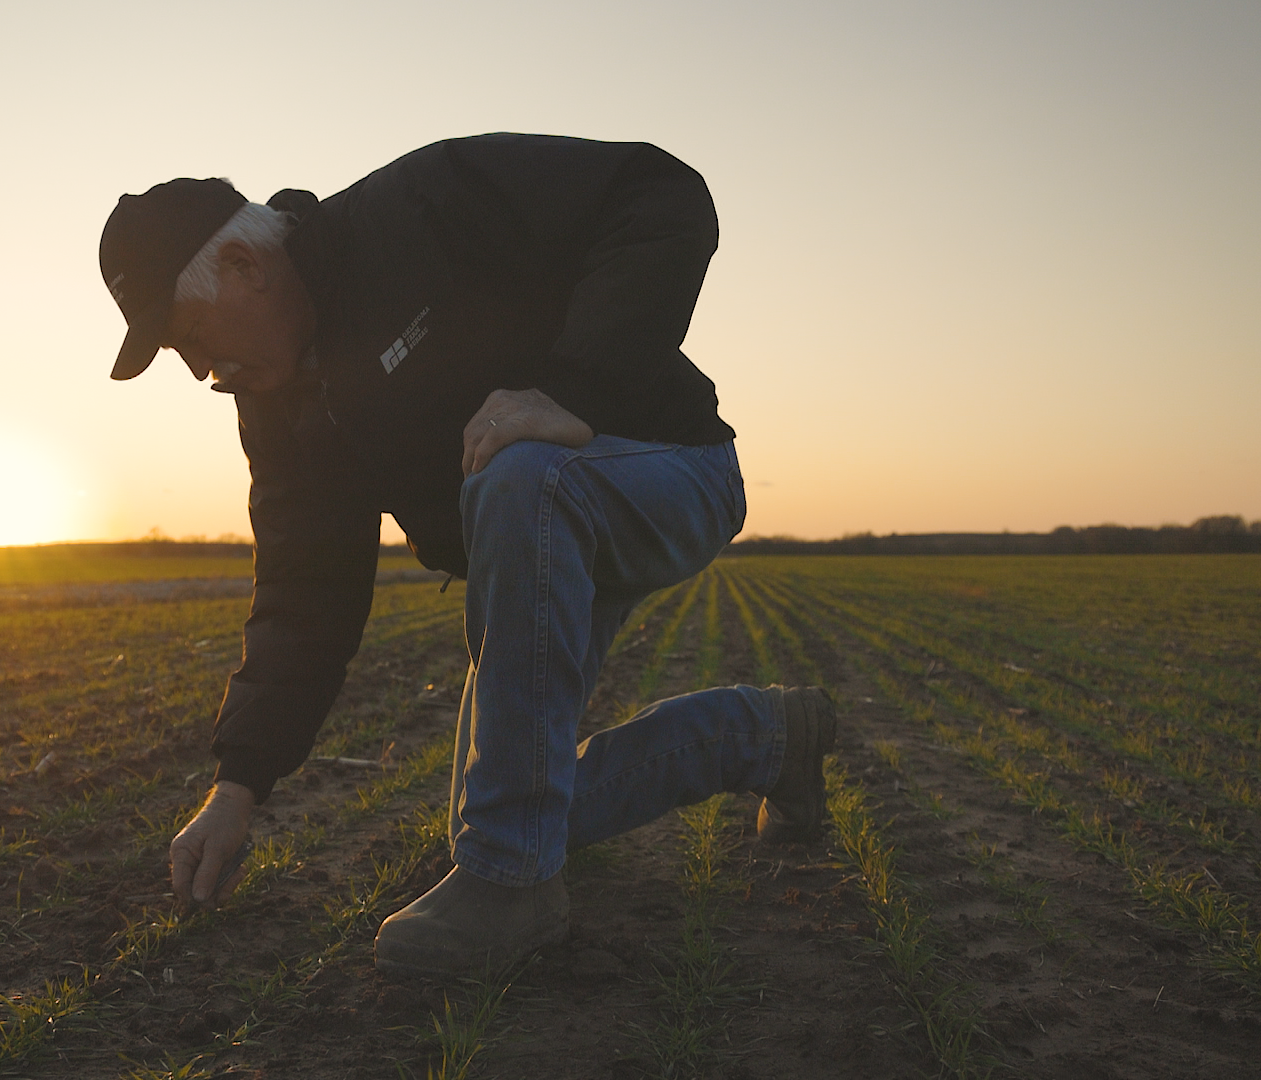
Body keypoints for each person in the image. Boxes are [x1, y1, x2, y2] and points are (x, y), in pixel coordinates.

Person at [97, 134, 838, 977]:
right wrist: (237, 787)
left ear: (243, 263)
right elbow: (307, 595)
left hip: (669, 468)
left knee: (520, 468)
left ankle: (514, 890)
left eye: (187, 336)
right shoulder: (277, 407)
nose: (200, 370)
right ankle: (765, 738)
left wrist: (575, 390)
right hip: (535, 533)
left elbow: (658, 192)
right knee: (501, 805)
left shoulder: (424, 206)